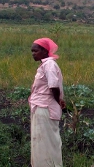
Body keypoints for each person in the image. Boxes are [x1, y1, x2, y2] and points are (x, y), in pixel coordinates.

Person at [28, 38, 66, 167]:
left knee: (46, 142)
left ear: (45, 51)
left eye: (36, 51)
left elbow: (53, 86)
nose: (33, 54)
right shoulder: (45, 65)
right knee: (41, 141)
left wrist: (59, 101)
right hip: (41, 107)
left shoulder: (49, 64)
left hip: (45, 108)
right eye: (32, 51)